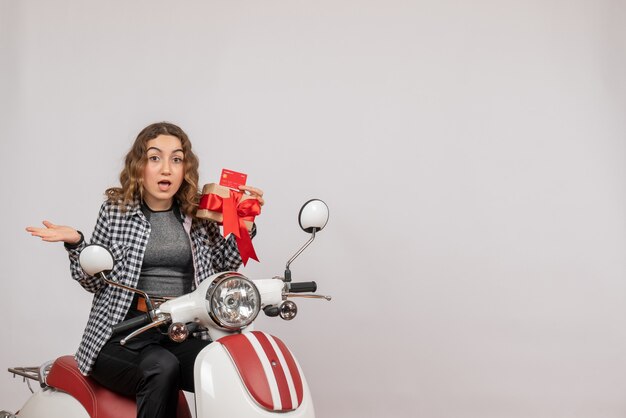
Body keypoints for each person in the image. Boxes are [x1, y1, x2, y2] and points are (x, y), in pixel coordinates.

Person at [26, 122, 264, 418]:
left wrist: (245, 227)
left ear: (185, 168)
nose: (166, 168)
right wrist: (77, 244)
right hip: (125, 334)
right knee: (162, 367)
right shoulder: (116, 211)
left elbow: (224, 266)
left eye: (176, 159)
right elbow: (96, 283)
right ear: (140, 165)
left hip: (182, 331)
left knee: (227, 366)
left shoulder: (197, 214)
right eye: (155, 158)